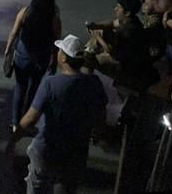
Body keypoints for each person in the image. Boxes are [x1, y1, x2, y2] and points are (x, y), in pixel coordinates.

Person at [7, 34, 107, 194]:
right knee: (65, 187)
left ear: (64, 59)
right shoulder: (94, 83)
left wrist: (13, 139)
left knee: (37, 185)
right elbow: (101, 118)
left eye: (60, 51)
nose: (58, 53)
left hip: (47, 148)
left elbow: (30, 118)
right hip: (76, 151)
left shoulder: (51, 84)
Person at [4, 0, 62, 132]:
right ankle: (26, 122)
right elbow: (56, 42)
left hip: (22, 56)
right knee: (34, 87)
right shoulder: (54, 19)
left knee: (20, 87)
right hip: (41, 58)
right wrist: (54, 61)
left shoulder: (25, 12)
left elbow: (14, 32)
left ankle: (15, 123)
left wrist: (8, 49)